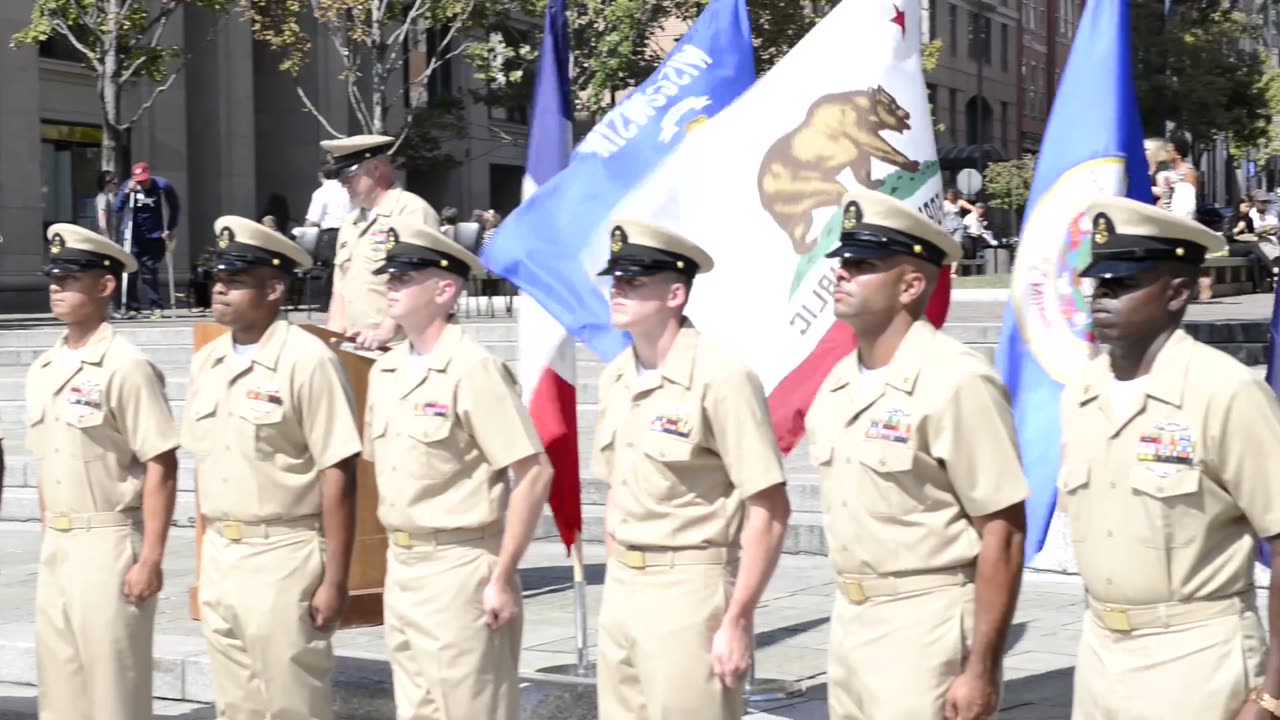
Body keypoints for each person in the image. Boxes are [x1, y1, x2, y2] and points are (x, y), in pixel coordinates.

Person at [806, 189, 1028, 720]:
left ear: (910, 285)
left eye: (861, 265)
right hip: (852, 620)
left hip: (925, 623)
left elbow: (1003, 529)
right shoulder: (838, 382)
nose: (841, 273)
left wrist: (981, 667)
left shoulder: (956, 380)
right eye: (842, 262)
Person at [1059, 196, 1280, 720]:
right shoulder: (1082, 392)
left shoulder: (1224, 391)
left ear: (1178, 293)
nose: (1103, 296)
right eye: (1099, 283)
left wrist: (1273, 695)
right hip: (1097, 657)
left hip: (1196, 658)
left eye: (1124, 282)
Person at [591, 219, 791, 719]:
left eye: (634, 281)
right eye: (615, 279)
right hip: (622, 588)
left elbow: (768, 505)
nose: (618, 289)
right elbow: (618, 484)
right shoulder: (615, 377)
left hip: (688, 590)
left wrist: (738, 617)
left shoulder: (721, 376)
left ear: (675, 293)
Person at [362, 220, 554, 719]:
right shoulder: (384, 371)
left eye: (404, 277)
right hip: (402, 567)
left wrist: (503, 574)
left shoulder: (473, 369)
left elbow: (533, 472)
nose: (391, 286)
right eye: (390, 277)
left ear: (444, 289)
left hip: (460, 567)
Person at [181, 216, 362, 720]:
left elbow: (340, 471)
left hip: (284, 554)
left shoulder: (307, 359)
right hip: (222, 553)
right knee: (236, 706)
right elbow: (206, 468)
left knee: (291, 704)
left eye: (236, 281)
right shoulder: (208, 361)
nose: (219, 289)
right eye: (218, 278)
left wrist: (336, 578)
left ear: (275, 289)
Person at [26, 224, 180, 720]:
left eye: (70, 278)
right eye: (53, 277)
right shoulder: (44, 368)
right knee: (61, 691)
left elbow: (161, 461)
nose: (56, 287)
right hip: (59, 546)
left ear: (105, 286)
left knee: (114, 693)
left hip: (110, 542)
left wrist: (150, 558)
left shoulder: (126, 366)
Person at [321, 134, 441, 351]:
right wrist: (331, 340)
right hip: (356, 347)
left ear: (377, 169)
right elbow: (339, 289)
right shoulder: (351, 223)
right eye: (341, 178)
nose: (344, 183)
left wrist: (385, 331)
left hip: (400, 347)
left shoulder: (411, 211)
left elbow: (422, 280)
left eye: (350, 175)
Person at [114, 161, 180, 319]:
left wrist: (170, 229)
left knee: (149, 270)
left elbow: (175, 207)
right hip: (132, 235)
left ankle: (156, 306)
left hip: (155, 235)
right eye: (139, 180)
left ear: (149, 176)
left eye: (144, 180)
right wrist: (126, 193)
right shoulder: (127, 186)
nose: (142, 183)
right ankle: (132, 307)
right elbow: (117, 208)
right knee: (130, 271)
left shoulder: (163, 186)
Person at [304, 166, 351, 312]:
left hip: (329, 234)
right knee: (346, 267)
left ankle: (327, 303)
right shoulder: (346, 189)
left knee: (328, 268)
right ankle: (345, 303)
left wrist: (303, 229)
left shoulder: (321, 192)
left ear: (321, 175)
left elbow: (313, 218)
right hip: (348, 231)